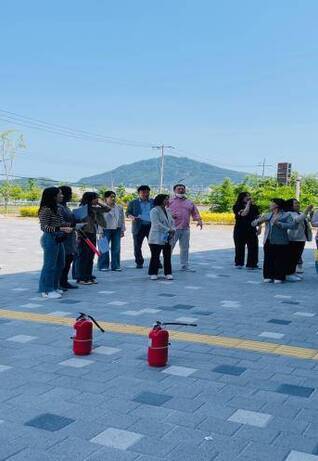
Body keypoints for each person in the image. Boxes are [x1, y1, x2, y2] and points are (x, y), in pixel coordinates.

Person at [38, 187, 73, 298]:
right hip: (50, 239)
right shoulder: (45, 209)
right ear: (53, 196)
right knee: (50, 265)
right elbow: (44, 227)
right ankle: (46, 290)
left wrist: (73, 225)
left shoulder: (57, 208)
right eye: (60, 194)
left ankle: (54, 286)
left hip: (58, 238)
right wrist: (61, 229)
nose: (62, 196)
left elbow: (61, 222)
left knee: (60, 264)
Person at [252, 198, 295, 284]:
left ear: (276, 205)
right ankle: (268, 276)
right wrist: (259, 221)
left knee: (280, 260)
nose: (270, 204)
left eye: (271, 203)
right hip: (268, 240)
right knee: (268, 259)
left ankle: (279, 276)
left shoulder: (286, 215)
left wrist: (279, 224)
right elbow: (253, 224)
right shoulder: (268, 215)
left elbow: (292, 226)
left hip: (281, 241)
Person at [77, 192, 110, 285]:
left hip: (92, 233)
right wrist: (79, 236)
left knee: (91, 256)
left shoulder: (94, 208)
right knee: (84, 256)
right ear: (89, 199)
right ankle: (81, 278)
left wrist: (99, 203)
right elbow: (77, 222)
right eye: (95, 198)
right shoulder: (82, 209)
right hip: (83, 234)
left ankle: (89, 276)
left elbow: (107, 209)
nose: (97, 200)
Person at [168, 184, 202, 271]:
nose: (181, 190)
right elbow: (162, 211)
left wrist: (199, 220)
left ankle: (184, 266)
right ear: (174, 190)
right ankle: (166, 265)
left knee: (185, 248)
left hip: (185, 229)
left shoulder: (189, 202)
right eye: (179, 189)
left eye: (183, 189)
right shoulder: (169, 201)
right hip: (172, 229)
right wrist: (170, 215)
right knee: (169, 248)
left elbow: (195, 212)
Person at [148, 194, 175, 280]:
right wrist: (168, 230)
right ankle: (153, 273)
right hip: (156, 237)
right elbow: (156, 223)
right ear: (161, 200)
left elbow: (172, 222)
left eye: (168, 199)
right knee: (155, 256)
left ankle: (168, 273)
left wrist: (173, 229)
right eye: (166, 199)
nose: (168, 201)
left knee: (167, 256)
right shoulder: (154, 210)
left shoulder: (168, 210)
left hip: (167, 237)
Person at [285, 199, 313, 281]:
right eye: (295, 203)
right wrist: (306, 210)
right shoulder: (289, 213)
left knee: (297, 257)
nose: (298, 204)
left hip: (301, 238)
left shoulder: (300, 213)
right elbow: (297, 220)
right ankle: (288, 274)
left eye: (298, 203)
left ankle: (293, 272)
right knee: (292, 257)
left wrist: (309, 213)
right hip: (293, 238)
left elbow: (306, 221)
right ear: (291, 205)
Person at [126, 185, 154, 269]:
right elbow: (127, 213)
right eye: (143, 192)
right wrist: (132, 217)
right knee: (137, 246)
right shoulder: (133, 202)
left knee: (154, 245)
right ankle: (139, 262)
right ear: (139, 193)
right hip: (138, 226)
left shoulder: (153, 202)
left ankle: (156, 261)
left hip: (151, 226)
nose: (146, 194)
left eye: (147, 192)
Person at [98, 191, 125, 272]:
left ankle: (116, 265)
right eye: (111, 197)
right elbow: (99, 220)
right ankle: (103, 265)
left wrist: (122, 230)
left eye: (114, 196)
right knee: (104, 248)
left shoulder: (119, 207)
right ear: (105, 198)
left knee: (116, 248)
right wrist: (100, 231)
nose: (113, 198)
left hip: (117, 229)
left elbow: (122, 219)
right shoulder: (101, 208)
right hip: (105, 229)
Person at [233, 192, 261, 270]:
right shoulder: (237, 206)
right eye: (246, 196)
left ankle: (252, 264)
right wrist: (248, 204)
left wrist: (260, 227)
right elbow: (243, 214)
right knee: (239, 247)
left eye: (249, 196)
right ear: (242, 197)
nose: (249, 198)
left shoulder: (254, 207)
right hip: (240, 230)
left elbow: (258, 218)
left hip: (252, 229)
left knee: (253, 247)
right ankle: (239, 263)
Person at [58, 186, 78, 290]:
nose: (71, 195)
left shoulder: (66, 206)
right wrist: (73, 223)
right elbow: (60, 223)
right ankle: (60, 282)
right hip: (63, 237)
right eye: (69, 193)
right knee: (63, 261)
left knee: (69, 259)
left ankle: (64, 281)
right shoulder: (58, 207)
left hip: (70, 237)